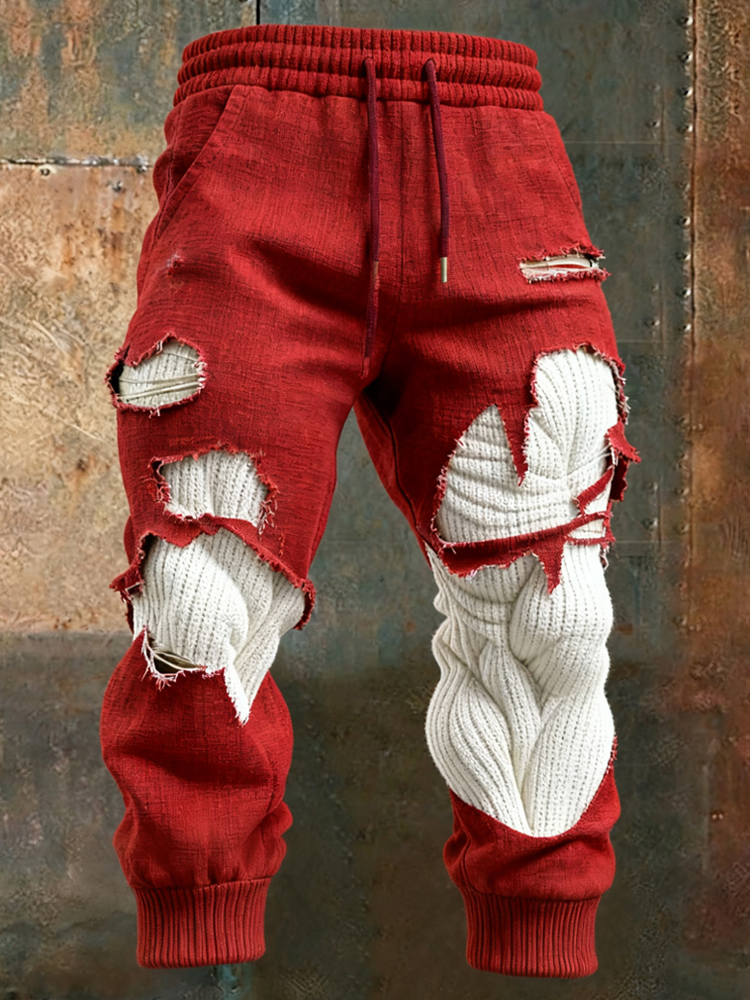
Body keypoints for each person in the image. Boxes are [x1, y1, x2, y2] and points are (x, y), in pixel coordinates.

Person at [100, 22, 639, 978]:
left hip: (499, 165)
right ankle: (198, 920)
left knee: (550, 613)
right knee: (196, 599)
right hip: (249, 157)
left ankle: (539, 922)